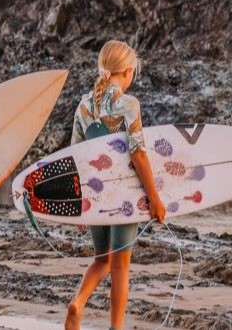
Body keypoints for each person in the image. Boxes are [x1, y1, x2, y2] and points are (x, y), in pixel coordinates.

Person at [59, 40, 166, 330]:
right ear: (128, 72)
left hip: (95, 196)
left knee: (101, 260)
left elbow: (75, 158)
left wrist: (79, 205)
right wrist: (154, 198)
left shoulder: (84, 106)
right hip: (125, 196)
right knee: (120, 267)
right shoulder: (128, 104)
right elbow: (138, 153)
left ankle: (78, 302)